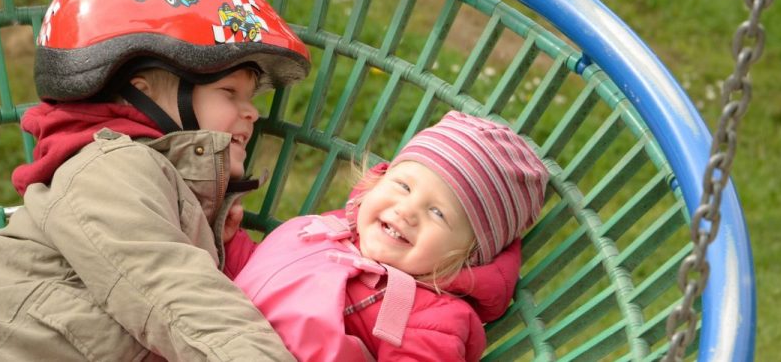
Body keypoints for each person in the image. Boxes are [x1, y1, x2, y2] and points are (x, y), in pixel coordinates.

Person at [0, 0, 311, 361]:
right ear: (145, 92)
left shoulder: (186, 204)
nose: (253, 112)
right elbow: (177, 296)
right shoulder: (109, 167)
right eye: (229, 92)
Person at [231, 110, 549, 361]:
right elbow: (257, 274)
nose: (407, 210)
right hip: (217, 323)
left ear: (469, 256)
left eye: (438, 212)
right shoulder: (331, 231)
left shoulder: (431, 318)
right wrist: (229, 241)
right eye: (404, 186)